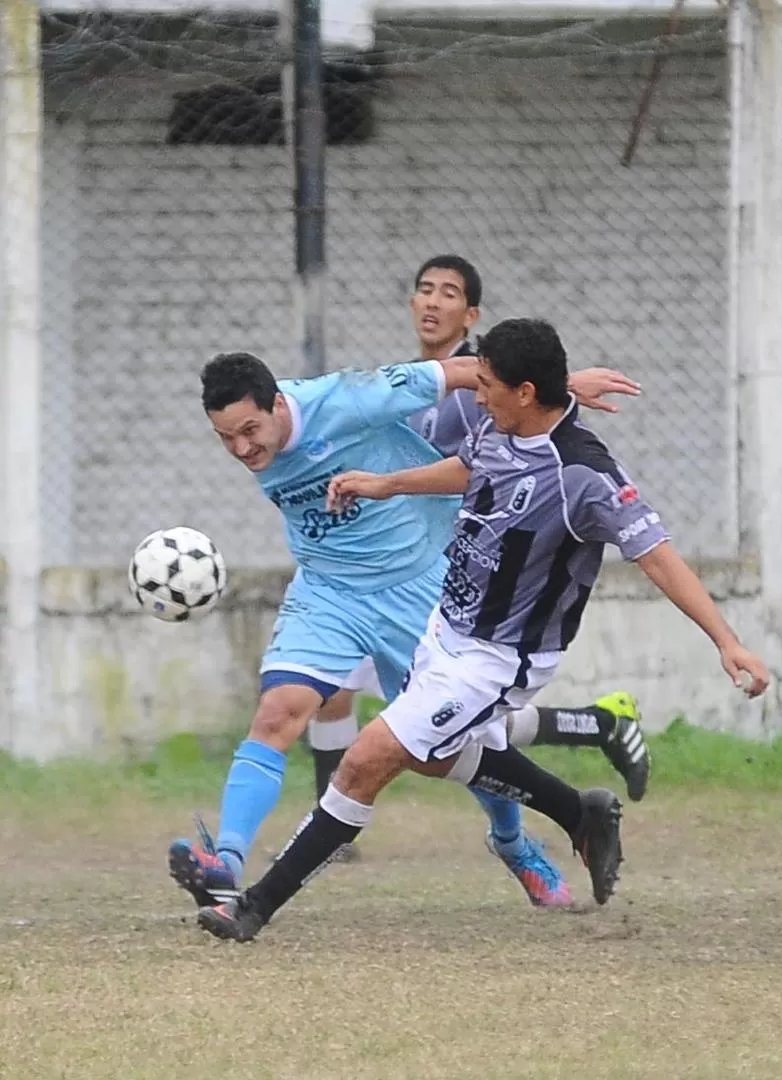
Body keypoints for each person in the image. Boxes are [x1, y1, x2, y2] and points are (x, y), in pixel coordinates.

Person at [196, 317, 769, 944]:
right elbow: (466, 469)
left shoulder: (585, 475)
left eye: (487, 381)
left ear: (524, 391)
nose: (475, 392)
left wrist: (726, 639)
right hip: (446, 624)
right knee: (437, 755)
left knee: (365, 761)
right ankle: (579, 810)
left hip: (500, 656)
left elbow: (657, 554)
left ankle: (252, 907)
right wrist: (386, 484)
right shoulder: (501, 429)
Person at [168, 342, 639, 913]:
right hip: (328, 590)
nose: (243, 448)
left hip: (417, 585)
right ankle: (227, 863)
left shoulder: (348, 398)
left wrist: (560, 387)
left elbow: (461, 372)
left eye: (250, 431)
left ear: (276, 405)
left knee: (449, 745)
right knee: (276, 713)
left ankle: (516, 844)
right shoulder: (254, 439)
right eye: (227, 438)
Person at [308, 254, 652, 819]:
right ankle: (594, 734)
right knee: (385, 706)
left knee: (419, 717)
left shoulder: (480, 392)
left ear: (471, 316)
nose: (433, 301)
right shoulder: (416, 385)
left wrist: (563, 387)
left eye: (449, 293)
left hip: (458, 576)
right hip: (404, 569)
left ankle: (557, 792)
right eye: (425, 289)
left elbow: (526, 408)